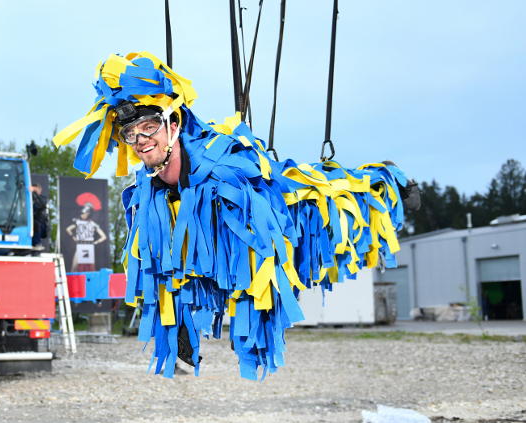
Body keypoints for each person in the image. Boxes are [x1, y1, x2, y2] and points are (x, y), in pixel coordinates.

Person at [54, 52, 416, 380]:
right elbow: (160, 264)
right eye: (130, 133)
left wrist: (253, 321)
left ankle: (386, 180)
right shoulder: (145, 194)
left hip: (277, 207)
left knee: (324, 201)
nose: (140, 139)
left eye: (148, 127)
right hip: (212, 228)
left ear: (173, 125)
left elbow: (261, 246)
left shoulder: (221, 168)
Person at [65, 203, 107, 272]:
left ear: (88, 214)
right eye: (82, 213)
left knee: (91, 266)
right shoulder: (78, 222)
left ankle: (94, 280)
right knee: (75, 265)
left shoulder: (93, 224)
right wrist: (73, 237)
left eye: (85, 213)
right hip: (80, 245)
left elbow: (104, 236)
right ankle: (72, 280)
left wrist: (96, 242)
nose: (83, 215)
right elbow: (68, 229)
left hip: (89, 246)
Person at [28, 183, 48, 249]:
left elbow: (43, 205)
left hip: (39, 222)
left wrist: (34, 193)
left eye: (36, 191)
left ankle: (37, 243)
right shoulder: (26, 199)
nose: (33, 193)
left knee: (37, 223)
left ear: (39, 192)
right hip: (27, 222)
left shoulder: (43, 199)